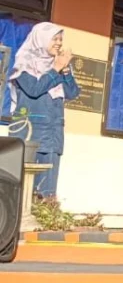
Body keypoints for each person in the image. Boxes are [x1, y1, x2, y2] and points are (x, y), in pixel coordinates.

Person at [8, 22, 81, 197]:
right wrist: (55, 69)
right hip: (30, 134)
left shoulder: (58, 65)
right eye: (54, 39)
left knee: (47, 191)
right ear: (41, 39)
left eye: (60, 39)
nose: (58, 43)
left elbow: (72, 93)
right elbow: (34, 89)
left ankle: (45, 217)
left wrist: (65, 71)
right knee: (24, 189)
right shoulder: (25, 63)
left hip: (53, 135)